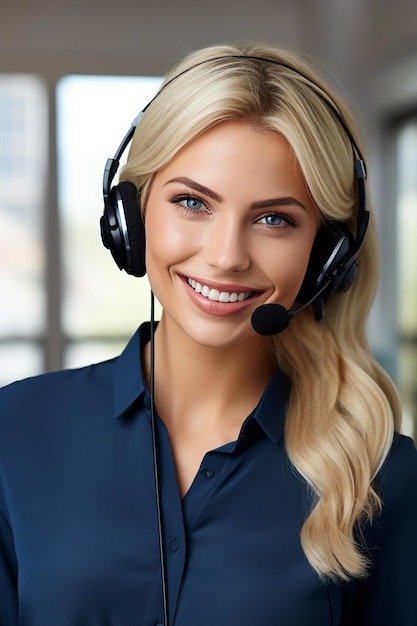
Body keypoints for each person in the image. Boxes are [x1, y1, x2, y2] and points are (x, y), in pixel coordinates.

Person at [0, 42, 416, 626]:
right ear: (133, 214)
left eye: (275, 219)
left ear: (326, 257)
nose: (225, 257)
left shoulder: (379, 478)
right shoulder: (16, 430)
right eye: (193, 202)